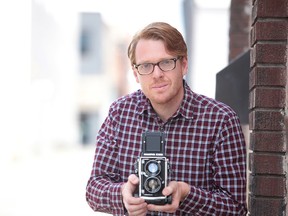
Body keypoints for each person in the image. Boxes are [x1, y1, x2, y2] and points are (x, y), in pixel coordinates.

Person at [86, 22, 247, 215]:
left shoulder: (221, 120)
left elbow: (235, 208)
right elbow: (94, 188)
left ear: (184, 65)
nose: (157, 74)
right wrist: (122, 194)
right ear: (136, 73)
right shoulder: (119, 113)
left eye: (166, 62)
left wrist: (187, 194)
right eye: (146, 66)